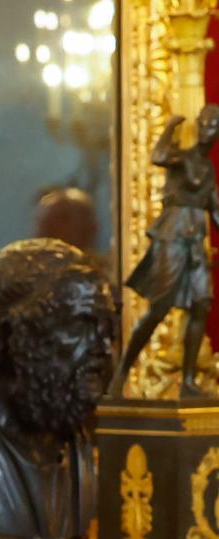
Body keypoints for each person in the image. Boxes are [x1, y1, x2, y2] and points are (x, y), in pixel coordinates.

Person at [0, 239, 113, 539]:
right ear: (10, 334)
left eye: (107, 326)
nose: (102, 345)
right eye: (80, 324)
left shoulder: (76, 434)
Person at [109, 106, 219, 398]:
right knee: (159, 308)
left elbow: (215, 210)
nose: (210, 131)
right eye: (206, 125)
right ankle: (122, 372)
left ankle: (188, 381)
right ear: (198, 126)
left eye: (215, 127)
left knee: (201, 305)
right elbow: (158, 156)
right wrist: (170, 127)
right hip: (172, 235)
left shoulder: (208, 170)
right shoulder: (182, 157)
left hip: (196, 242)